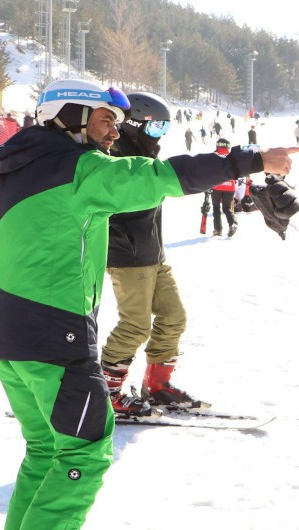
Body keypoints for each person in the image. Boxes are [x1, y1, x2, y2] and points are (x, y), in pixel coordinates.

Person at [0, 79, 299, 530]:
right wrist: (250, 160)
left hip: (14, 345)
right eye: (107, 120)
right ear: (70, 116)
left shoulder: (0, 177)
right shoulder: (81, 170)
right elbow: (163, 177)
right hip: (58, 339)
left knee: (46, 451)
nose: (115, 133)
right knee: (84, 453)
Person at [100, 92, 200, 416]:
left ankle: (157, 386)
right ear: (132, 124)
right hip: (127, 256)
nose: (159, 136)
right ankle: (107, 392)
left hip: (153, 254)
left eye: (164, 129)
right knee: (135, 326)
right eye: (155, 128)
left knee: (174, 317)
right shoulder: (116, 158)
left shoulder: (144, 155)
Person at [209, 138, 238, 236]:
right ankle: (232, 223)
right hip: (230, 187)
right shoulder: (232, 157)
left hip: (216, 186)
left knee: (216, 208)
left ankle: (218, 229)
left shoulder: (213, 156)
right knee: (226, 208)